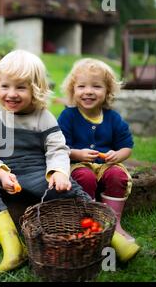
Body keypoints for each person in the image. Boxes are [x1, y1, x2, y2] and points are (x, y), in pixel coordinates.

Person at [0, 50, 91, 273]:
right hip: (6, 177)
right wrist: (2, 174)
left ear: (35, 90)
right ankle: (13, 246)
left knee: (67, 187)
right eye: (5, 86)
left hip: (37, 175)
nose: (11, 94)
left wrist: (58, 173)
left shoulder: (43, 117)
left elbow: (57, 149)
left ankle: (106, 229)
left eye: (20, 87)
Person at [58, 58, 140, 262]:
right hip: (79, 164)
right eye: (82, 86)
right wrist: (77, 154)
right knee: (83, 177)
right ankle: (88, 220)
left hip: (106, 165)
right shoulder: (68, 116)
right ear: (72, 90)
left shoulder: (113, 118)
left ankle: (114, 223)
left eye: (96, 86)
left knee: (117, 175)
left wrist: (117, 155)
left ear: (107, 91)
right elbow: (59, 146)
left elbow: (126, 146)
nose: (88, 91)